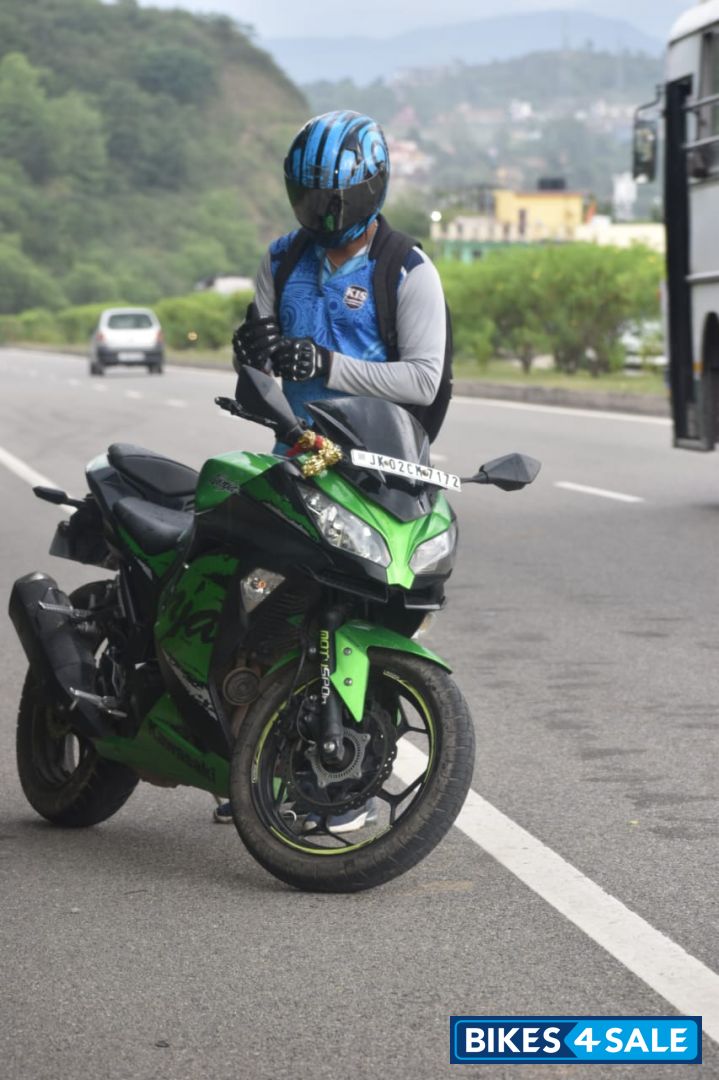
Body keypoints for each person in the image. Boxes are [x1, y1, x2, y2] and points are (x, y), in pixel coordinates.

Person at [214, 110, 448, 830]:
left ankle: (343, 776)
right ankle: (245, 759)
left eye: (332, 200)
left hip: (378, 467)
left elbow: (424, 378)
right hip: (295, 458)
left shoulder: (406, 270)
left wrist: (327, 363)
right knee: (257, 604)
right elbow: (260, 375)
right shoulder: (281, 260)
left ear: (368, 190)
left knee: (364, 613)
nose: (320, 214)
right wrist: (250, 357)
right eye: (308, 198)